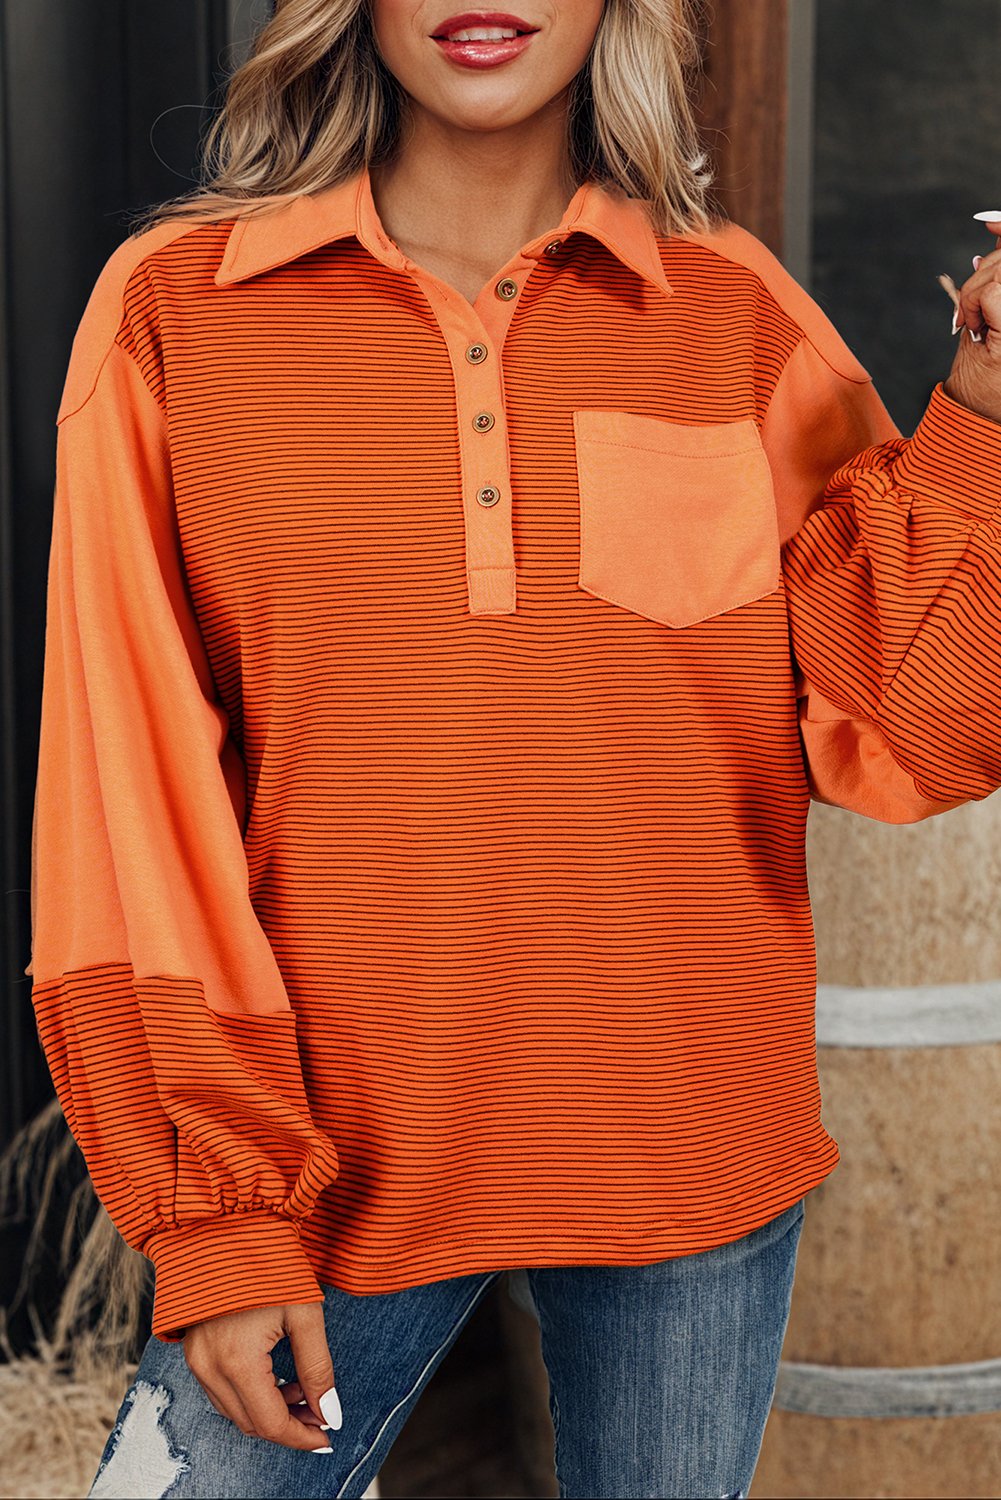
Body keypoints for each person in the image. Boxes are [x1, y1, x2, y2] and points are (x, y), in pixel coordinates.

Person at [26, 1, 1001, 1496]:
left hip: (691, 1142)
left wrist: (985, 413)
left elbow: (909, 729)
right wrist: (219, 1217)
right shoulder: (179, 308)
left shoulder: (729, 307)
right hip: (326, 1163)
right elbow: (125, 796)